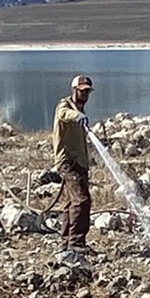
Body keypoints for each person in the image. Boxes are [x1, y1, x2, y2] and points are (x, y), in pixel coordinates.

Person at [52, 74, 96, 253]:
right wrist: (76, 115)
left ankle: (66, 243)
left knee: (71, 203)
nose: (85, 95)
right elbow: (64, 114)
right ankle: (77, 242)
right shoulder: (65, 106)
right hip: (68, 161)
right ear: (74, 90)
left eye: (88, 92)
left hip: (80, 162)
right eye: (82, 91)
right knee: (82, 200)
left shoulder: (81, 111)